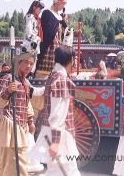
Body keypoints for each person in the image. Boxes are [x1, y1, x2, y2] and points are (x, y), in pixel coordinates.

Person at [29, 45, 81, 176]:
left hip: (52, 130)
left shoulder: (53, 76)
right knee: (64, 170)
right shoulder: (60, 80)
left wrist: (29, 90)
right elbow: (57, 113)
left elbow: (42, 91)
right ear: (71, 60)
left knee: (61, 170)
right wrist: (56, 142)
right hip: (60, 133)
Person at [0, 52, 37, 176]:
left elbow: (27, 104)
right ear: (19, 63)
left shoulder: (26, 82)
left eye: (31, 64)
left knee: (5, 160)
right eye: (26, 62)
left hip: (21, 125)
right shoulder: (8, 78)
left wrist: (30, 121)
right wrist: (8, 91)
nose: (29, 66)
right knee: (17, 159)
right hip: (10, 122)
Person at [35, 0, 72, 78]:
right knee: (45, 71)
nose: (63, 6)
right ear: (57, 2)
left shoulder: (59, 17)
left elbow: (64, 30)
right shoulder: (47, 13)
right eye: (62, 4)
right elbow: (47, 31)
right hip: (49, 45)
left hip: (58, 46)